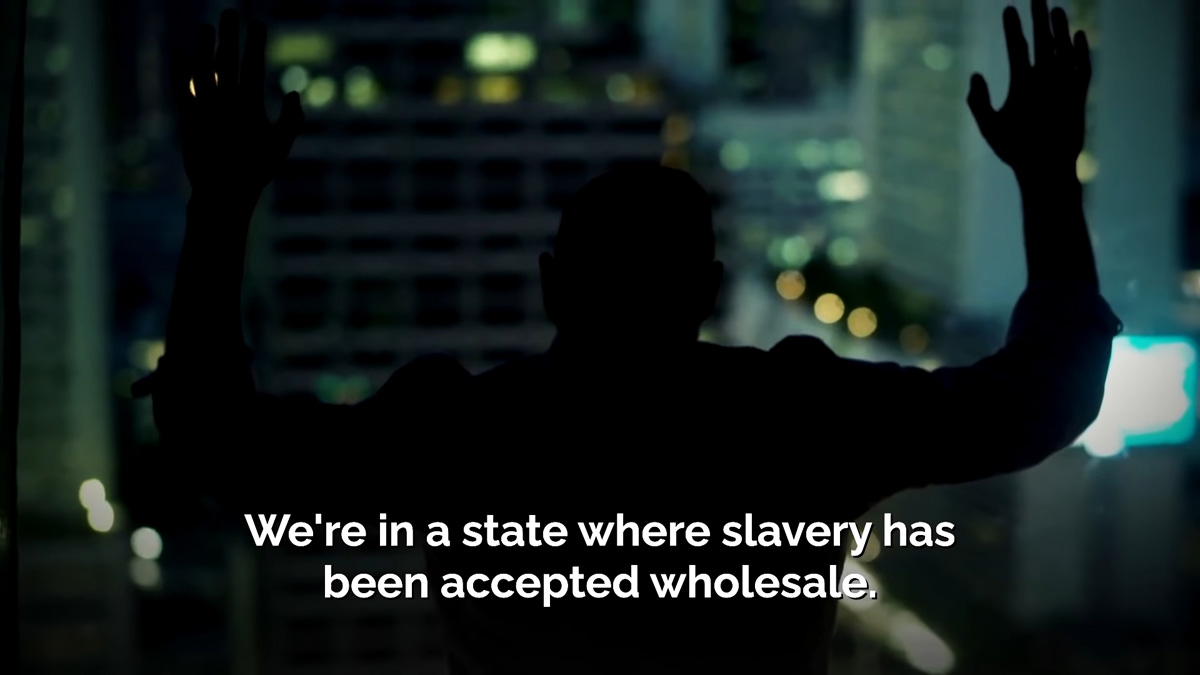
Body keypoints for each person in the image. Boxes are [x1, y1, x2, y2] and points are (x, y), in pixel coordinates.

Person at [141, 1, 1120, 672]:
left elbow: (214, 440)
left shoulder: (458, 435)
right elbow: (1047, 396)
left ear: (553, 285)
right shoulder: (801, 418)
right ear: (707, 291)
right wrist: (1044, 176)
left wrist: (222, 205)